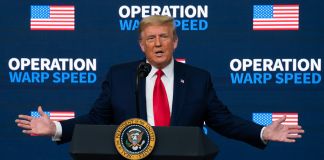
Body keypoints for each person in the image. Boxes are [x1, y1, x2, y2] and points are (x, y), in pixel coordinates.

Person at [16, 15, 304, 148]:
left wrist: (263, 132)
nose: (158, 43)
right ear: (141, 45)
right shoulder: (120, 76)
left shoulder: (197, 79)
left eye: (164, 37)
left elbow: (223, 121)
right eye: (150, 38)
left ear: (175, 41)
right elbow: (96, 118)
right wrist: (55, 127)